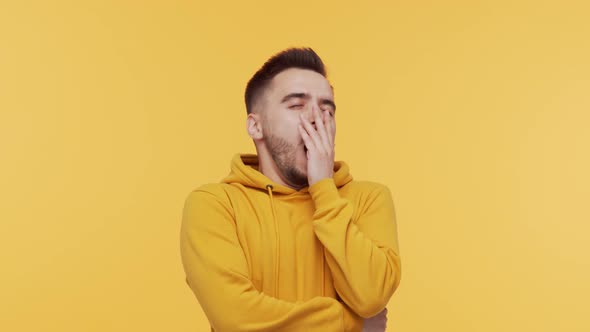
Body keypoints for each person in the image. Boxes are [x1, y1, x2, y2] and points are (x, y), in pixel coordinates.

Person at [180, 47, 402, 332]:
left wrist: (323, 187)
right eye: (296, 105)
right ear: (255, 126)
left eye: (327, 110)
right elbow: (235, 319)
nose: (316, 119)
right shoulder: (214, 205)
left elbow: (371, 296)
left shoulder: (369, 199)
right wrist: (351, 323)